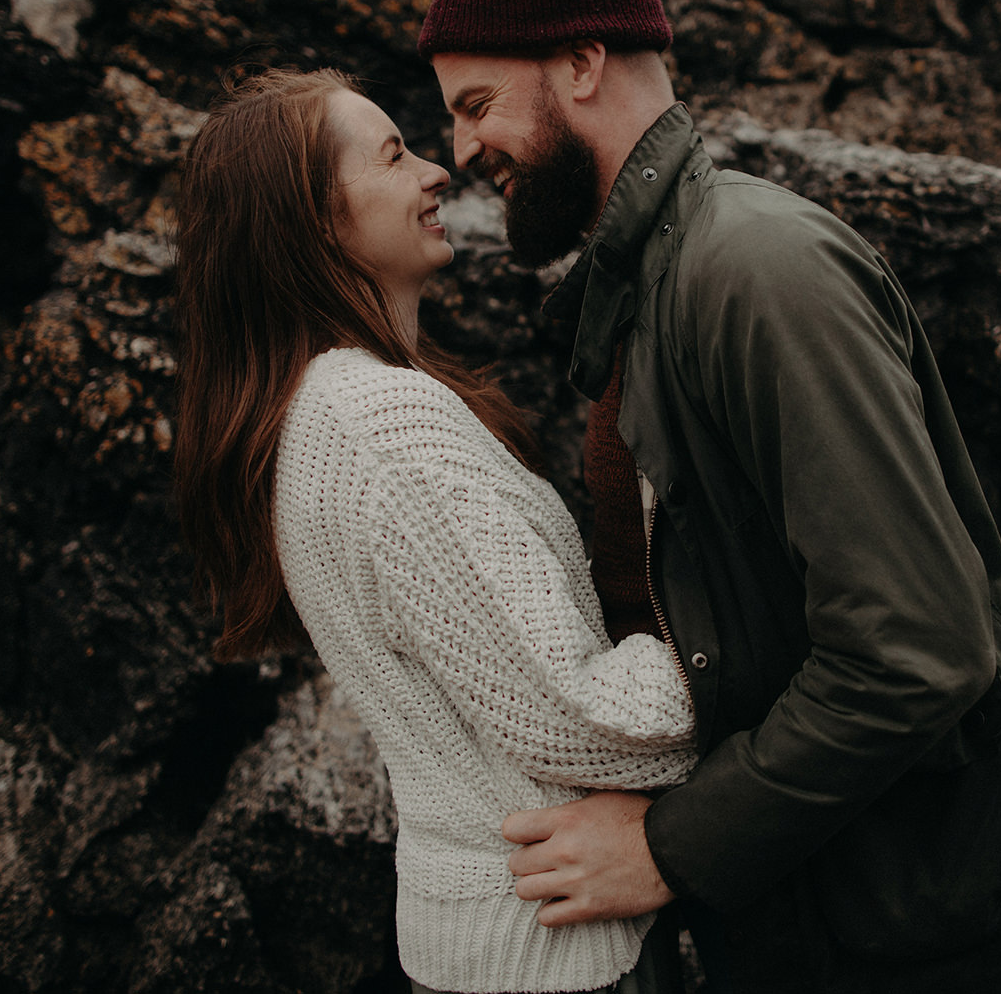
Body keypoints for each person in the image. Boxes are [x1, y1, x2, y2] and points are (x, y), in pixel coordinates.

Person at [418, 0, 1001, 992]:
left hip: (942, 931)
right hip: (825, 915)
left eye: (475, 106)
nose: (461, 152)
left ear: (581, 59)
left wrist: (671, 845)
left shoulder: (755, 269)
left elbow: (915, 647)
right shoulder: (645, 294)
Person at [171, 67, 698, 994]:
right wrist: (732, 647)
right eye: (392, 156)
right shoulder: (381, 424)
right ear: (314, 219)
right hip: (556, 949)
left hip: (495, 935)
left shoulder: (310, 416)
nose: (436, 172)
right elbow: (590, 723)